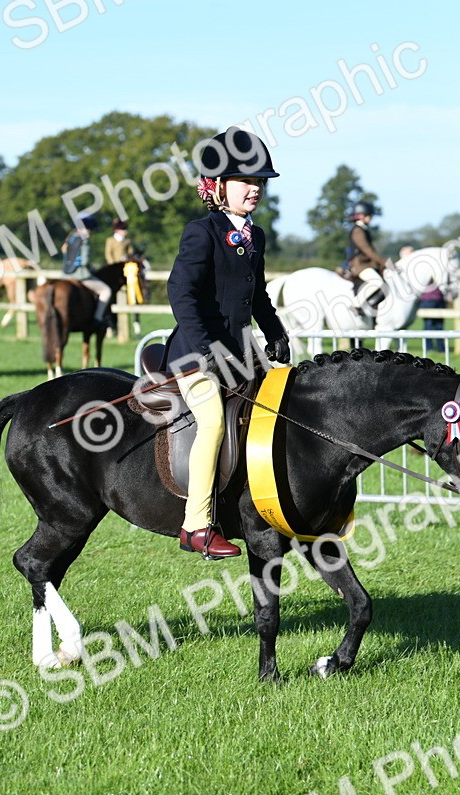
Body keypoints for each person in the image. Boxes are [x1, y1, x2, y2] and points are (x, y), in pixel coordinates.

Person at [165, 127, 291, 559]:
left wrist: (275, 331)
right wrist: (205, 350)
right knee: (214, 422)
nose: (254, 189)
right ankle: (196, 525)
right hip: (194, 354)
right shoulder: (201, 232)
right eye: (245, 182)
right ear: (217, 187)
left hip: (241, 353)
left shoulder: (255, 237)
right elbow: (180, 294)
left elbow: (257, 296)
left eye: (259, 183)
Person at [62, 213, 113, 330]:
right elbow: (85, 261)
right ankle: (98, 318)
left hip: (65, 275)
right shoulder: (85, 240)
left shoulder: (70, 238)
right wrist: (91, 269)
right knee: (106, 291)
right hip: (81, 275)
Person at [346, 200, 391, 314]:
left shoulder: (363, 229)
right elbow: (367, 250)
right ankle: (355, 304)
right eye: (368, 215)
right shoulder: (358, 231)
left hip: (366, 263)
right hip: (360, 265)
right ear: (361, 216)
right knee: (377, 282)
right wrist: (384, 262)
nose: (370, 218)